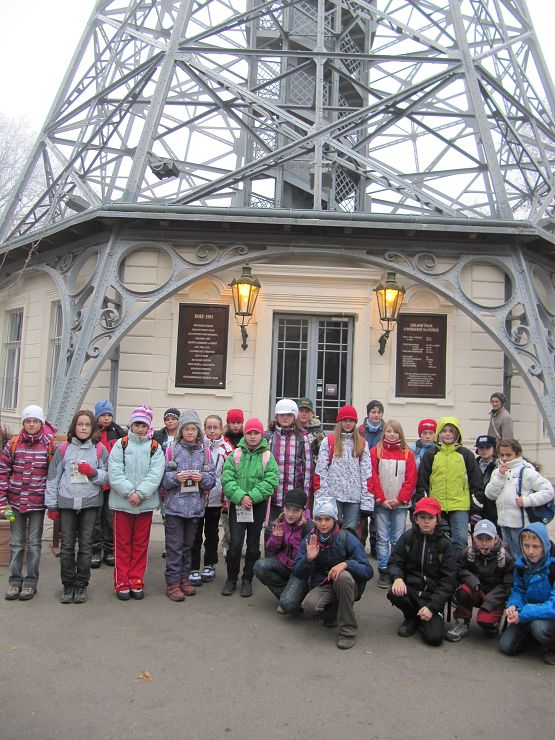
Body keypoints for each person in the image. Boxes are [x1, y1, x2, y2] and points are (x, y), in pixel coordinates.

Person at [45, 410, 109, 604]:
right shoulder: (63, 448)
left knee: (86, 545)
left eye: (87, 425)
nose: (83, 428)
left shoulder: (99, 449)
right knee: (66, 546)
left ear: (93, 428)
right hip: (67, 501)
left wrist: (93, 472)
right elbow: (53, 477)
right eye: (80, 424)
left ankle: (81, 584)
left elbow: (108, 476)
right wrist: (51, 505)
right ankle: (68, 584)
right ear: (74, 426)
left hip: (90, 502)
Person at [294, 497, 373, 650]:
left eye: (327, 519)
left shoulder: (346, 537)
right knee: (309, 606)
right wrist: (308, 559)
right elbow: (297, 571)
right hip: (324, 584)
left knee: (342, 577)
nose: (323, 524)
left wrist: (346, 564)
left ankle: (348, 631)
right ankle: (334, 611)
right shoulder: (310, 538)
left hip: (348, 584)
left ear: (334, 520)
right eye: (319, 519)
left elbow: (368, 571)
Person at [108, 405, 165, 600]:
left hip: (144, 504)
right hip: (122, 503)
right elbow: (115, 471)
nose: (140, 429)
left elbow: (155, 473)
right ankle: (122, 581)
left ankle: (136, 578)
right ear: (131, 425)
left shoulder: (155, 447)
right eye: (137, 425)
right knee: (122, 543)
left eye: (144, 425)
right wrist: (129, 492)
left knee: (140, 544)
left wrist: (140, 494)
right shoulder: (120, 445)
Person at [0, 405, 57, 601]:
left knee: (34, 544)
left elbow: (53, 475)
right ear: (23, 423)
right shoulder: (13, 444)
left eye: (35, 421)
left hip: (37, 504)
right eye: (28, 421)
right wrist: (2, 501)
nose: (31, 424)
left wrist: (52, 502)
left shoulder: (49, 446)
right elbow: (3, 472)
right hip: (16, 502)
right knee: (16, 543)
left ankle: (30, 583)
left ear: (41, 423)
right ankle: (15, 582)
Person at [160, 409, 216, 601]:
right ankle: (173, 583)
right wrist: (176, 478)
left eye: (193, 429)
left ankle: (184, 579)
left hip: (195, 509)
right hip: (174, 508)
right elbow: (162, 480)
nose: (190, 432)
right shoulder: (171, 450)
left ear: (198, 431)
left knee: (187, 547)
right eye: (186, 429)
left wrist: (202, 478)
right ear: (181, 431)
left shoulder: (205, 453)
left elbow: (212, 480)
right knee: (174, 547)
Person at [221, 418, 279, 597]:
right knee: (235, 544)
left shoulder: (267, 456)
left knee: (253, 546)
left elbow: (271, 480)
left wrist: (252, 496)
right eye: (249, 433)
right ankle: (231, 579)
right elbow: (227, 479)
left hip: (257, 506)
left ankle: (247, 579)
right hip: (238, 506)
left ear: (262, 435)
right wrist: (241, 496)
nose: (253, 436)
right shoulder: (235, 455)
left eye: (256, 433)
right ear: (245, 434)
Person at [387, 497, 457, 646]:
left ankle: (428, 615)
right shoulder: (408, 537)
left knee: (434, 639)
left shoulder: (445, 544)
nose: (426, 521)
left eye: (430, 518)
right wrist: (397, 578)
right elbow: (395, 561)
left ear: (437, 520)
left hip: (432, 596)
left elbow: (448, 581)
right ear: (416, 519)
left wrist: (432, 607)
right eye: (422, 517)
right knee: (393, 592)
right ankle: (411, 617)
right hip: (411, 591)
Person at [416, 417, 484, 556]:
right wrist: (424, 501)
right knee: (438, 541)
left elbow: (476, 481)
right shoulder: (431, 454)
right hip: (436, 506)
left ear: (457, 434)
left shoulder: (466, 455)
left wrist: (475, 505)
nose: (447, 434)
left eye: (451, 431)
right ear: (439, 433)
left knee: (460, 541)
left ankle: (457, 568)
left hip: (460, 506)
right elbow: (422, 481)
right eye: (444, 431)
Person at [445, 519, 513, 642]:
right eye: (480, 538)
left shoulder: (505, 557)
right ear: (473, 538)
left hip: (494, 596)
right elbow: (459, 570)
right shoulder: (468, 552)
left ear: (496, 539)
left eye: (488, 539)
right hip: (476, 589)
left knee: (485, 621)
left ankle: (492, 624)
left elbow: (508, 584)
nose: (484, 543)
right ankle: (462, 621)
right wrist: (473, 581)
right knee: (463, 590)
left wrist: (491, 599)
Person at [485, 439, 554, 559]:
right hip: (503, 522)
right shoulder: (497, 471)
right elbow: (490, 494)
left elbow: (549, 491)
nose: (505, 458)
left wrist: (527, 500)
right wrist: (500, 477)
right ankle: (514, 571)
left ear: (517, 454)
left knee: (524, 555)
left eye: (508, 455)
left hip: (522, 524)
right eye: (502, 455)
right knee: (509, 556)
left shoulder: (527, 471)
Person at [499, 522, 555, 665]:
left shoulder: (553, 567)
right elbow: (518, 590)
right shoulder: (520, 565)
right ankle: (532, 638)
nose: (530, 551)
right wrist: (513, 605)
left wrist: (523, 614)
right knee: (505, 646)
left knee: (539, 628)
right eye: (526, 545)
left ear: (545, 546)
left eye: (536, 546)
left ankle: (552, 646)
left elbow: (553, 606)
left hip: (549, 616)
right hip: (527, 614)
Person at [371, 420, 417, 588]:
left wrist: (400, 499)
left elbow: (411, 479)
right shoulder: (376, 452)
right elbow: (373, 477)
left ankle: (396, 569)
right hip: (381, 504)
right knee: (382, 538)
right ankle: (383, 569)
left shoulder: (408, 454)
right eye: (389, 431)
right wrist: (381, 499)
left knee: (398, 538)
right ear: (384, 433)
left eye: (395, 432)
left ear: (400, 434)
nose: (391, 434)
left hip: (400, 505)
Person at [189, 414, 233, 587]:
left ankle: (209, 564)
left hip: (215, 500)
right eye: (209, 427)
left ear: (221, 429)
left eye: (216, 428)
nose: (212, 431)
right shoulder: (198, 445)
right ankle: (193, 566)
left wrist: (226, 498)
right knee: (195, 534)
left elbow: (229, 474)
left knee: (212, 534)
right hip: (197, 498)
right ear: (204, 429)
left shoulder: (227, 449)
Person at [314, 405, 373, 533]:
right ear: (339, 422)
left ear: (355, 423)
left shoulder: (362, 443)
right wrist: (322, 497)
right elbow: (321, 471)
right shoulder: (328, 441)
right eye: (345, 420)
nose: (348, 423)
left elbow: (366, 474)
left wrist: (367, 502)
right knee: (332, 530)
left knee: (351, 531)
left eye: (351, 420)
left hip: (354, 497)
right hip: (333, 496)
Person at [253, 488, 313, 614]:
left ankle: (294, 597)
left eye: (296, 510)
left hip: (300, 571)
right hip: (284, 565)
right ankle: (289, 595)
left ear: (303, 510)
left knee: (288, 604)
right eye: (287, 509)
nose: (290, 514)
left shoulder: (309, 528)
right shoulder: (280, 522)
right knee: (260, 566)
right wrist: (276, 538)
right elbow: (270, 549)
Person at [265, 399, 312, 524]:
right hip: (272, 495)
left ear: (294, 416)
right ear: (276, 416)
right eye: (282, 414)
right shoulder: (268, 436)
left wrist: (305, 499)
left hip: (294, 498)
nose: (285, 417)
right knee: (271, 529)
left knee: (293, 531)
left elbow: (307, 470)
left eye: (289, 415)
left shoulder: (302, 438)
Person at [92, 400, 126, 568]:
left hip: (113, 483)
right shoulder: (92, 432)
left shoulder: (118, 432)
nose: (106, 418)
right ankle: (95, 549)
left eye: (109, 415)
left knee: (110, 518)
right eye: (103, 415)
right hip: (96, 482)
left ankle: (109, 549)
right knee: (95, 518)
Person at [358, 400, 384, 557]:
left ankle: (375, 547)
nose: (376, 415)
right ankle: (360, 546)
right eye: (373, 412)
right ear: (368, 413)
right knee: (362, 515)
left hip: (380, 477)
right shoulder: (360, 431)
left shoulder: (386, 430)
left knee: (377, 516)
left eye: (379, 412)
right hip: (362, 477)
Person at [221, 408, 245, 554]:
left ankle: (238, 543)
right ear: (228, 423)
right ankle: (228, 542)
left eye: (238, 422)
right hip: (227, 482)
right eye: (233, 422)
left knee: (241, 515)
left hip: (242, 482)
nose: (236, 425)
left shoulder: (246, 438)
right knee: (226, 517)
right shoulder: (224, 439)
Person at [474, 435, 499, 528]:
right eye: (481, 447)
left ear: (494, 449)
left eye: (488, 447)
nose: (484, 450)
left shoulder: (499, 465)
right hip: (476, 507)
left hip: (494, 508)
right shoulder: (472, 464)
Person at [296, 397, 324, 463]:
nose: (304, 414)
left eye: (307, 411)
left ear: (312, 413)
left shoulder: (319, 433)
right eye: (301, 411)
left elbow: (323, 456)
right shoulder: (290, 430)